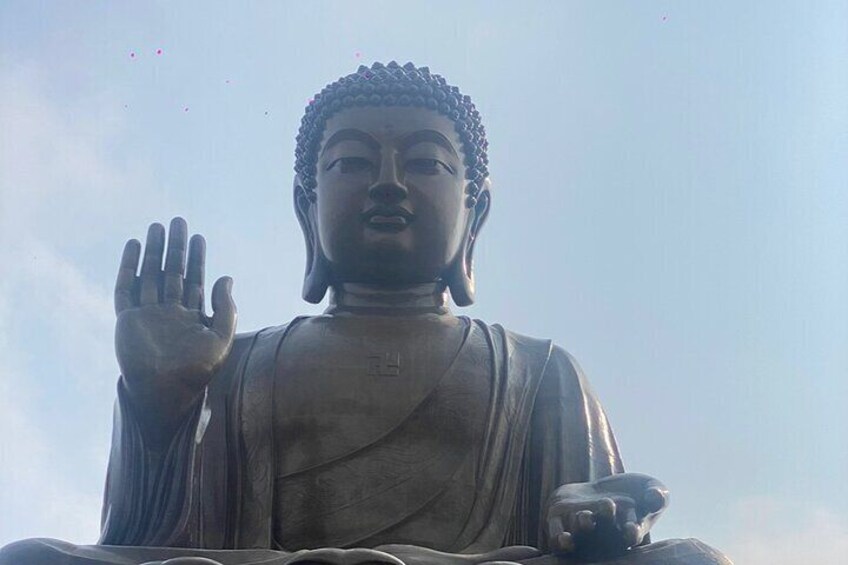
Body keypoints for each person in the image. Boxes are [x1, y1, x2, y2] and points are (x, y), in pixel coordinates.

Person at [0, 62, 731, 565]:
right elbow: (149, 538)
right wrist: (163, 405)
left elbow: (600, 526)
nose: (387, 183)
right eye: (351, 162)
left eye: (424, 163)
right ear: (305, 207)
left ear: (473, 212)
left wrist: (587, 515)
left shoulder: (539, 372)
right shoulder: (238, 363)